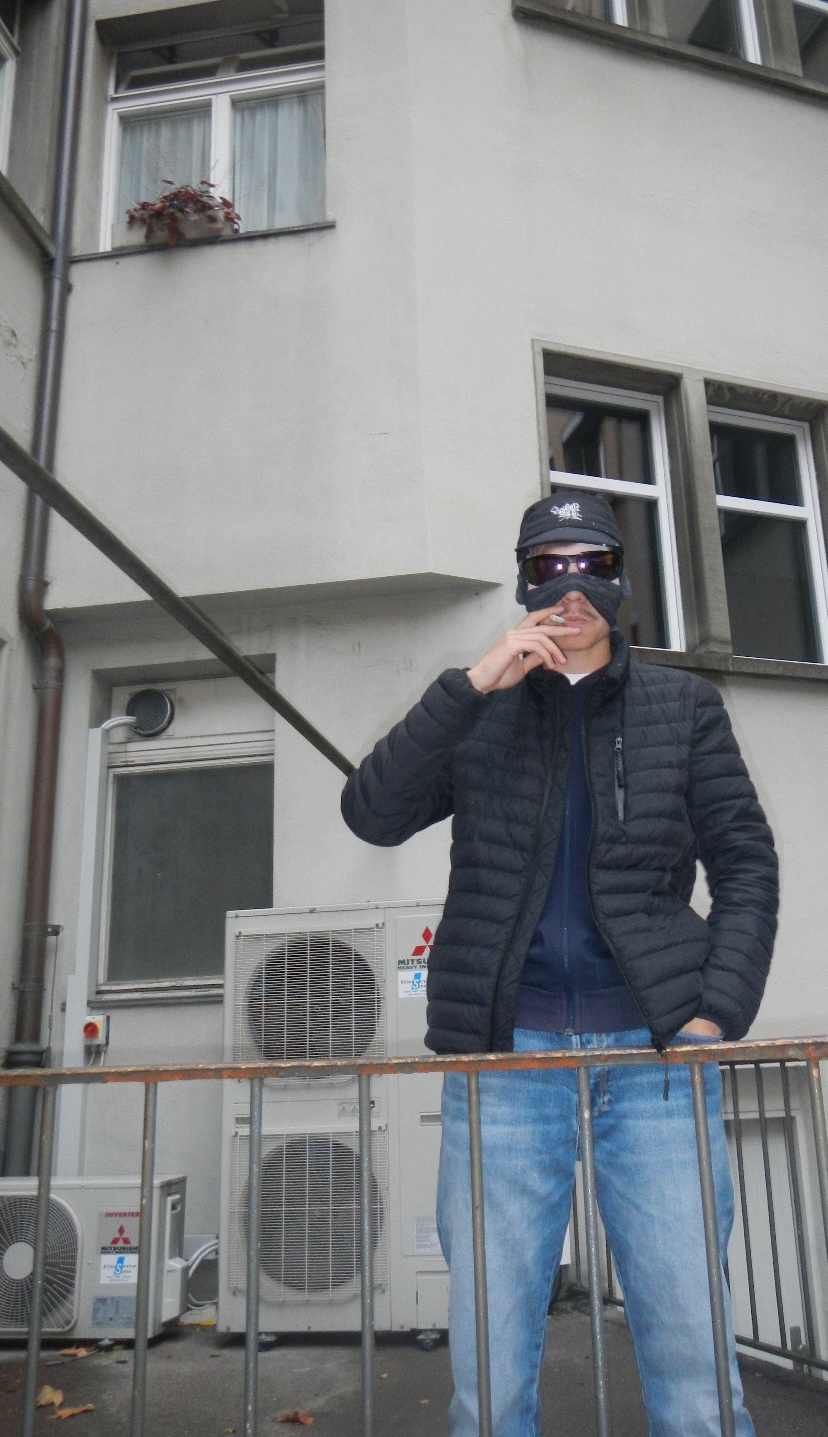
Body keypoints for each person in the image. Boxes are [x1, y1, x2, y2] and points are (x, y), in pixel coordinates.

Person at [341, 490, 778, 1437]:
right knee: (490, 1373)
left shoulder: (683, 708)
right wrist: (473, 683)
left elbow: (746, 863)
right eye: (548, 565)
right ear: (523, 581)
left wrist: (715, 1014)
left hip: (658, 1062)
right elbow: (371, 812)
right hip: (506, 1064)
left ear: (620, 577)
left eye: (591, 564)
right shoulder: (481, 710)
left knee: (695, 1367)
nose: (570, 586)